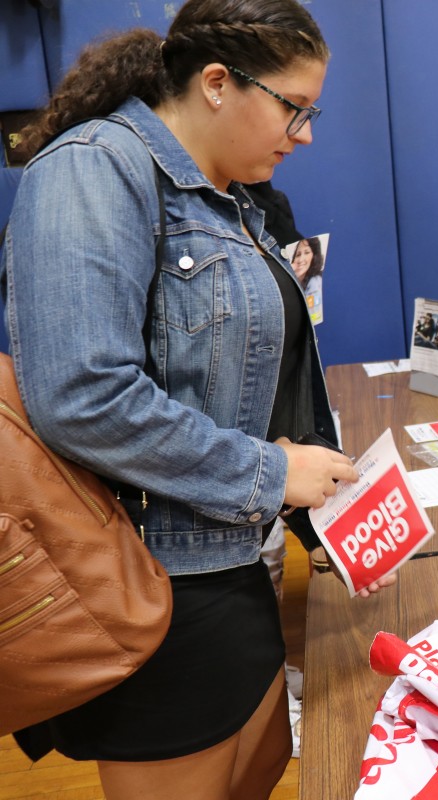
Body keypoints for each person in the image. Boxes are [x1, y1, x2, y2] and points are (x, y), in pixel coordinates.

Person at [0, 2, 395, 798]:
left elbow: (253, 388)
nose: (306, 133)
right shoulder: (93, 169)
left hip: (236, 566)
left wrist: (321, 511)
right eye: (295, 107)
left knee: (259, 770)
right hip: (156, 584)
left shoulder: (233, 201)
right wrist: (271, 474)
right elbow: (82, 396)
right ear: (218, 82)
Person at [287, 235, 324, 323]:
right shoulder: (298, 280)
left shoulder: (314, 282)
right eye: (298, 254)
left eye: (307, 252)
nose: (300, 259)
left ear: (314, 256)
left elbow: (312, 320)